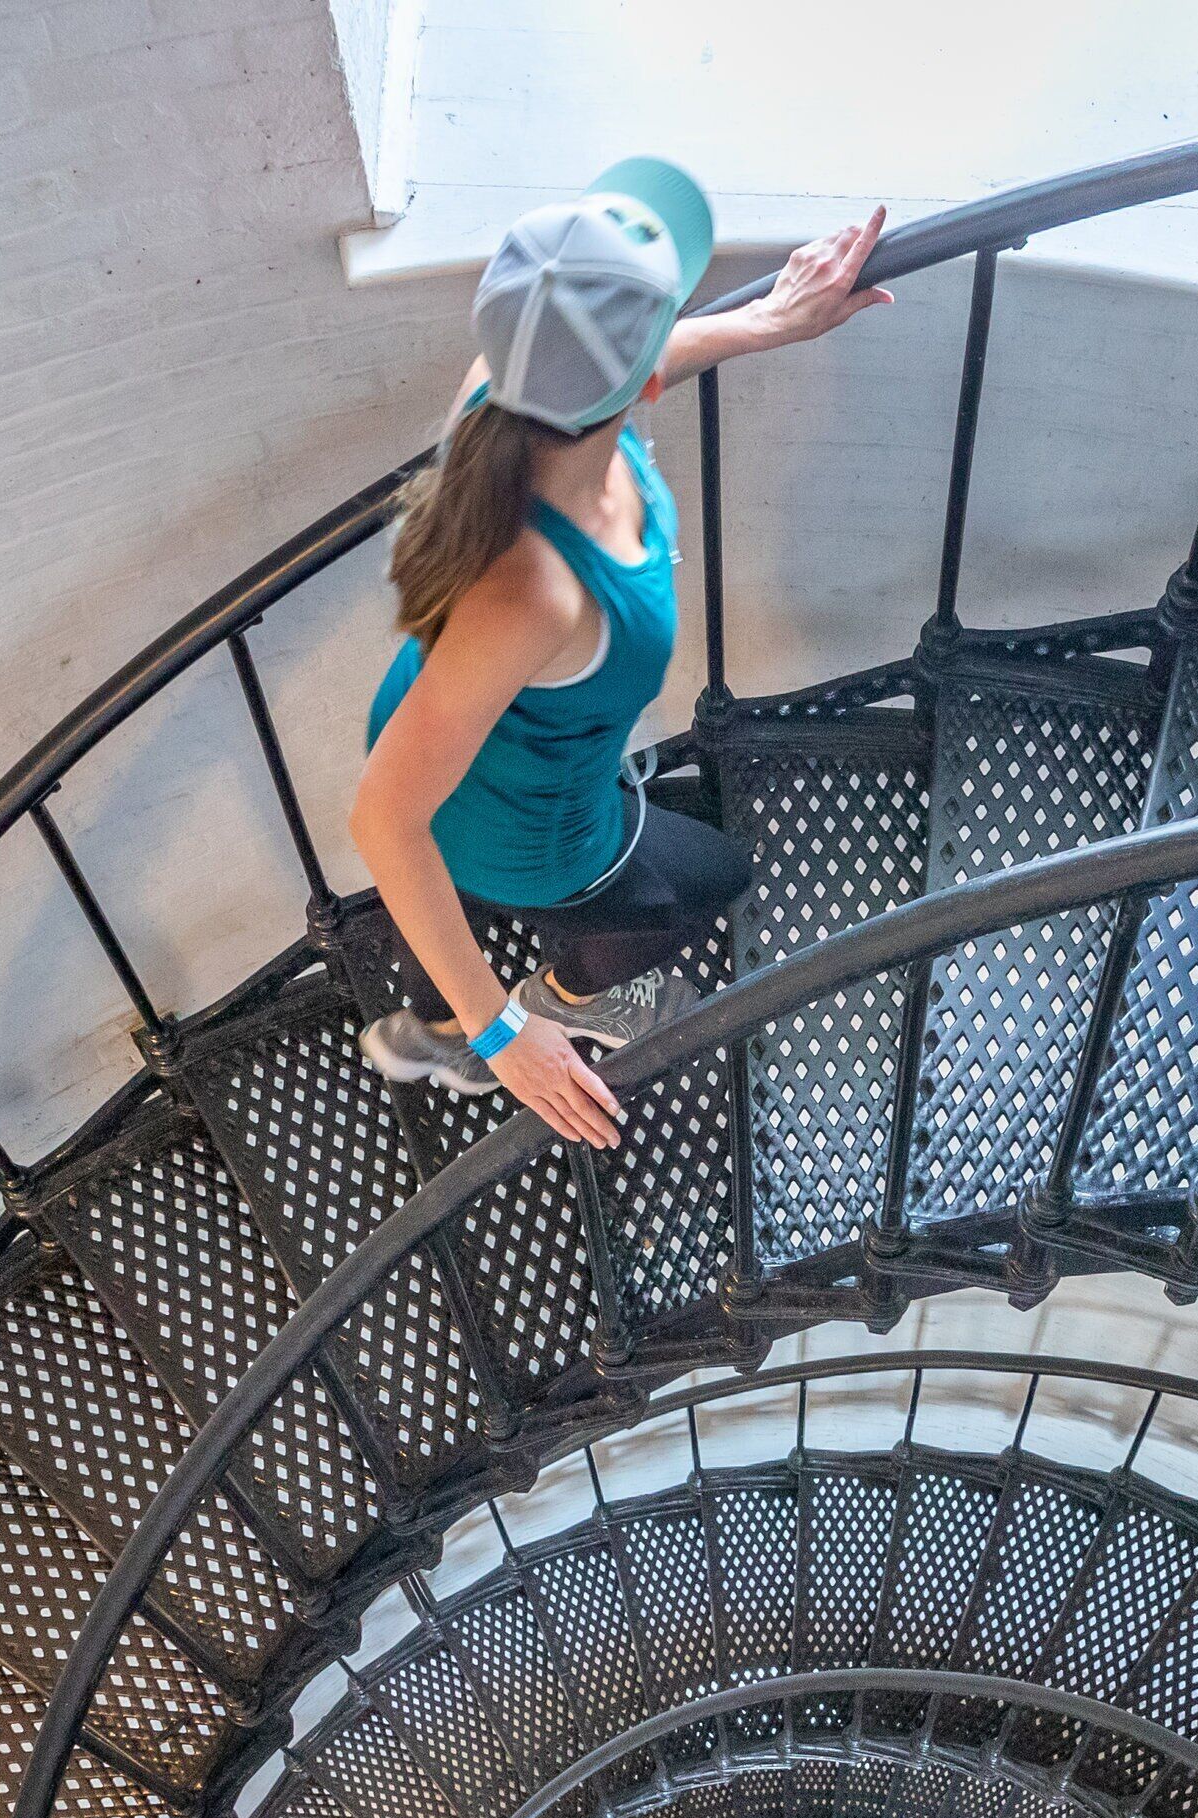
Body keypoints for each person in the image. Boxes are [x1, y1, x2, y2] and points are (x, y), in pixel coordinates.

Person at [351, 157, 891, 1146]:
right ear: (637, 379)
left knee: (452, 890)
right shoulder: (535, 596)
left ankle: (430, 1024)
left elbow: (635, 363)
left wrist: (771, 321)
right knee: (713, 876)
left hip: (449, 731)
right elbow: (387, 820)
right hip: (528, 827)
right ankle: (565, 996)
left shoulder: (498, 399)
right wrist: (508, 1030)